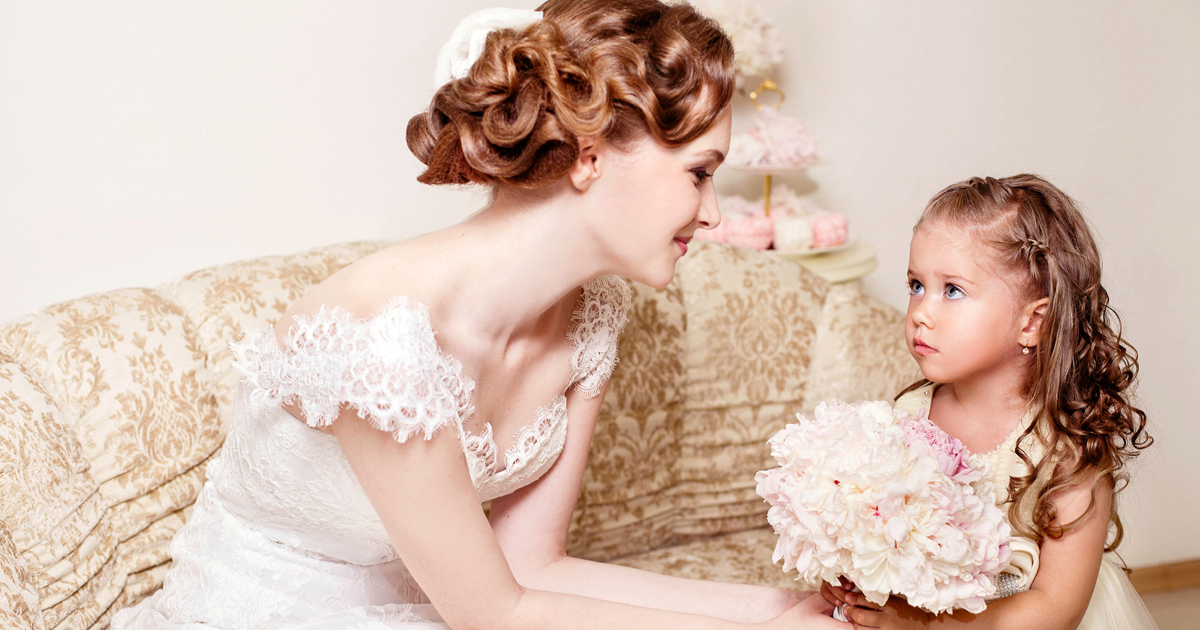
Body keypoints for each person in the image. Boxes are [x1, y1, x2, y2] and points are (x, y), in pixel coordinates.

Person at [111, 1, 839, 628]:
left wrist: (776, 607)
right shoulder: (382, 336)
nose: (712, 214)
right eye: (700, 174)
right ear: (588, 157)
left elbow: (535, 568)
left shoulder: (591, 319)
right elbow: (493, 612)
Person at [821, 175, 1157, 630]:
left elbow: (1056, 609)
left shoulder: (1065, 453)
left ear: (1032, 323)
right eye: (916, 285)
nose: (921, 311)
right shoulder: (906, 419)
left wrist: (918, 625)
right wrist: (857, 581)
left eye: (952, 290)